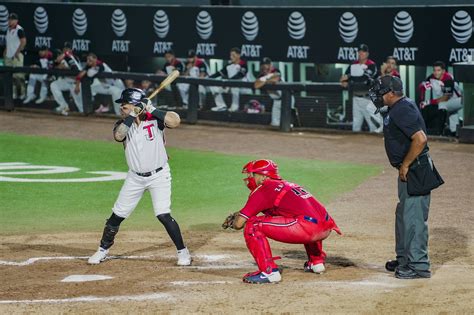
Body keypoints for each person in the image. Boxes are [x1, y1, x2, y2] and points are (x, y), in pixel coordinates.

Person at [88, 88, 192, 266]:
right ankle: (102, 250)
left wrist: (151, 109)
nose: (122, 108)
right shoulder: (123, 124)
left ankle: (183, 253)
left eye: (125, 105)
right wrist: (131, 115)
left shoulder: (155, 121)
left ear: (136, 104)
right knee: (117, 215)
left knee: (163, 214)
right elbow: (118, 135)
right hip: (135, 178)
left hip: (159, 175)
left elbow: (175, 121)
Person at [222, 159, 341, 284]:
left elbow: (238, 224)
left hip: (307, 229)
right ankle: (316, 262)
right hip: (326, 227)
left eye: (253, 174)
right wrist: (240, 214)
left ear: (263, 176)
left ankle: (269, 272)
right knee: (307, 217)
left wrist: (235, 220)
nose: (250, 178)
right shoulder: (287, 185)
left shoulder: (264, 188)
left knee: (253, 225)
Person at [369, 75, 442, 279]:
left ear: (392, 93)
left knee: (414, 218)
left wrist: (406, 164)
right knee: (403, 215)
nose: (377, 95)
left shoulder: (402, 109)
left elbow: (420, 139)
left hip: (415, 170)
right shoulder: (397, 108)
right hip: (409, 170)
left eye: (381, 91)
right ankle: (404, 259)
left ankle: (419, 266)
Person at [340, 44, 381, 132]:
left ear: (367, 54)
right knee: (356, 125)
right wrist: (344, 82)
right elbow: (343, 78)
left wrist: (352, 76)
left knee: (373, 125)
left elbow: (371, 77)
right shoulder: (353, 65)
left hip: (368, 99)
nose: (361, 53)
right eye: (359, 52)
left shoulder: (371, 65)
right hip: (356, 98)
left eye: (363, 52)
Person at [419, 61, 463, 136]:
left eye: (438, 70)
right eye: (434, 70)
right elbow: (421, 86)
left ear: (443, 71)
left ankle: (439, 132)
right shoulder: (432, 77)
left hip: (461, 100)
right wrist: (422, 99)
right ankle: (455, 133)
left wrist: (429, 102)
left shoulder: (448, 79)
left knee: (442, 105)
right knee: (452, 114)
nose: (436, 72)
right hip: (451, 101)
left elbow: (446, 97)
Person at [254, 57, 294, 127]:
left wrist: (264, 81)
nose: (265, 67)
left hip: (287, 99)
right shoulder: (261, 76)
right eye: (263, 65)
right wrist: (267, 80)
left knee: (287, 124)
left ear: (270, 65)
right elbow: (256, 85)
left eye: (267, 65)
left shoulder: (276, 70)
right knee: (274, 124)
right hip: (276, 101)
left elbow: (275, 79)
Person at [210, 47, 251, 112]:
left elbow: (239, 76)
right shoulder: (229, 65)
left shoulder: (243, 64)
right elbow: (219, 73)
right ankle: (221, 106)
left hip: (244, 88)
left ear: (239, 55)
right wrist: (208, 78)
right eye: (230, 55)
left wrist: (228, 83)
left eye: (233, 55)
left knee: (235, 85)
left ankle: (235, 108)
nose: (231, 57)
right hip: (230, 86)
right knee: (213, 86)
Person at [50, 42, 83, 116]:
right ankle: (64, 106)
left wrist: (65, 68)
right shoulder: (63, 57)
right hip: (66, 81)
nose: (65, 50)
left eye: (67, 48)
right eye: (64, 48)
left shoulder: (72, 57)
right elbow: (53, 65)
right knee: (54, 85)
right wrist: (57, 67)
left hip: (76, 83)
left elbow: (75, 71)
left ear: (71, 49)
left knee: (82, 108)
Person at [3, 13, 26, 100]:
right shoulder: (8, 30)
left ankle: (23, 94)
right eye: (9, 19)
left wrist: (17, 52)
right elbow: (8, 42)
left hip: (17, 57)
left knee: (19, 77)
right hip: (8, 56)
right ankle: (13, 94)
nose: (10, 21)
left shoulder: (19, 30)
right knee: (10, 78)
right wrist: (5, 51)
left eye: (12, 19)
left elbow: (23, 41)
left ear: (16, 21)